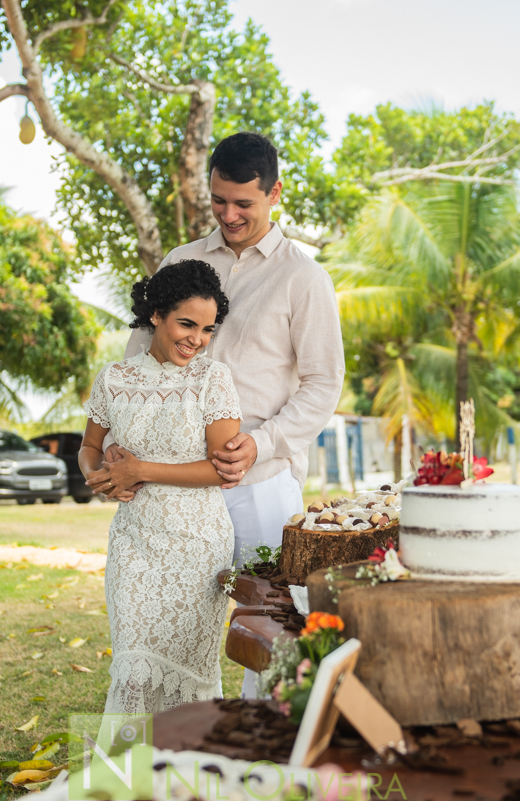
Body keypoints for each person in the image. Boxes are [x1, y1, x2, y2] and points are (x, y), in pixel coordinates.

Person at [99, 131, 345, 698]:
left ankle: (265, 743)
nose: (228, 215)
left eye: (243, 203)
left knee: (271, 632)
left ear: (274, 194)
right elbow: (136, 363)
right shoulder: (180, 262)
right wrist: (115, 441)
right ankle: (165, 741)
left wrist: (262, 443)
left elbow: (322, 383)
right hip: (170, 490)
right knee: (164, 626)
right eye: (218, 200)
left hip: (257, 485)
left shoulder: (304, 278)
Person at [79, 260, 242, 715]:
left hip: (198, 544)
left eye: (207, 329)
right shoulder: (114, 378)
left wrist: (140, 470)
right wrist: (101, 475)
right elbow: (89, 448)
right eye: (187, 324)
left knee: (190, 674)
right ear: (156, 314)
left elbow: (221, 470)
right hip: (134, 543)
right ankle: (129, 764)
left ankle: (185, 761)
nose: (197, 339)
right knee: (132, 669)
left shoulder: (212, 379)